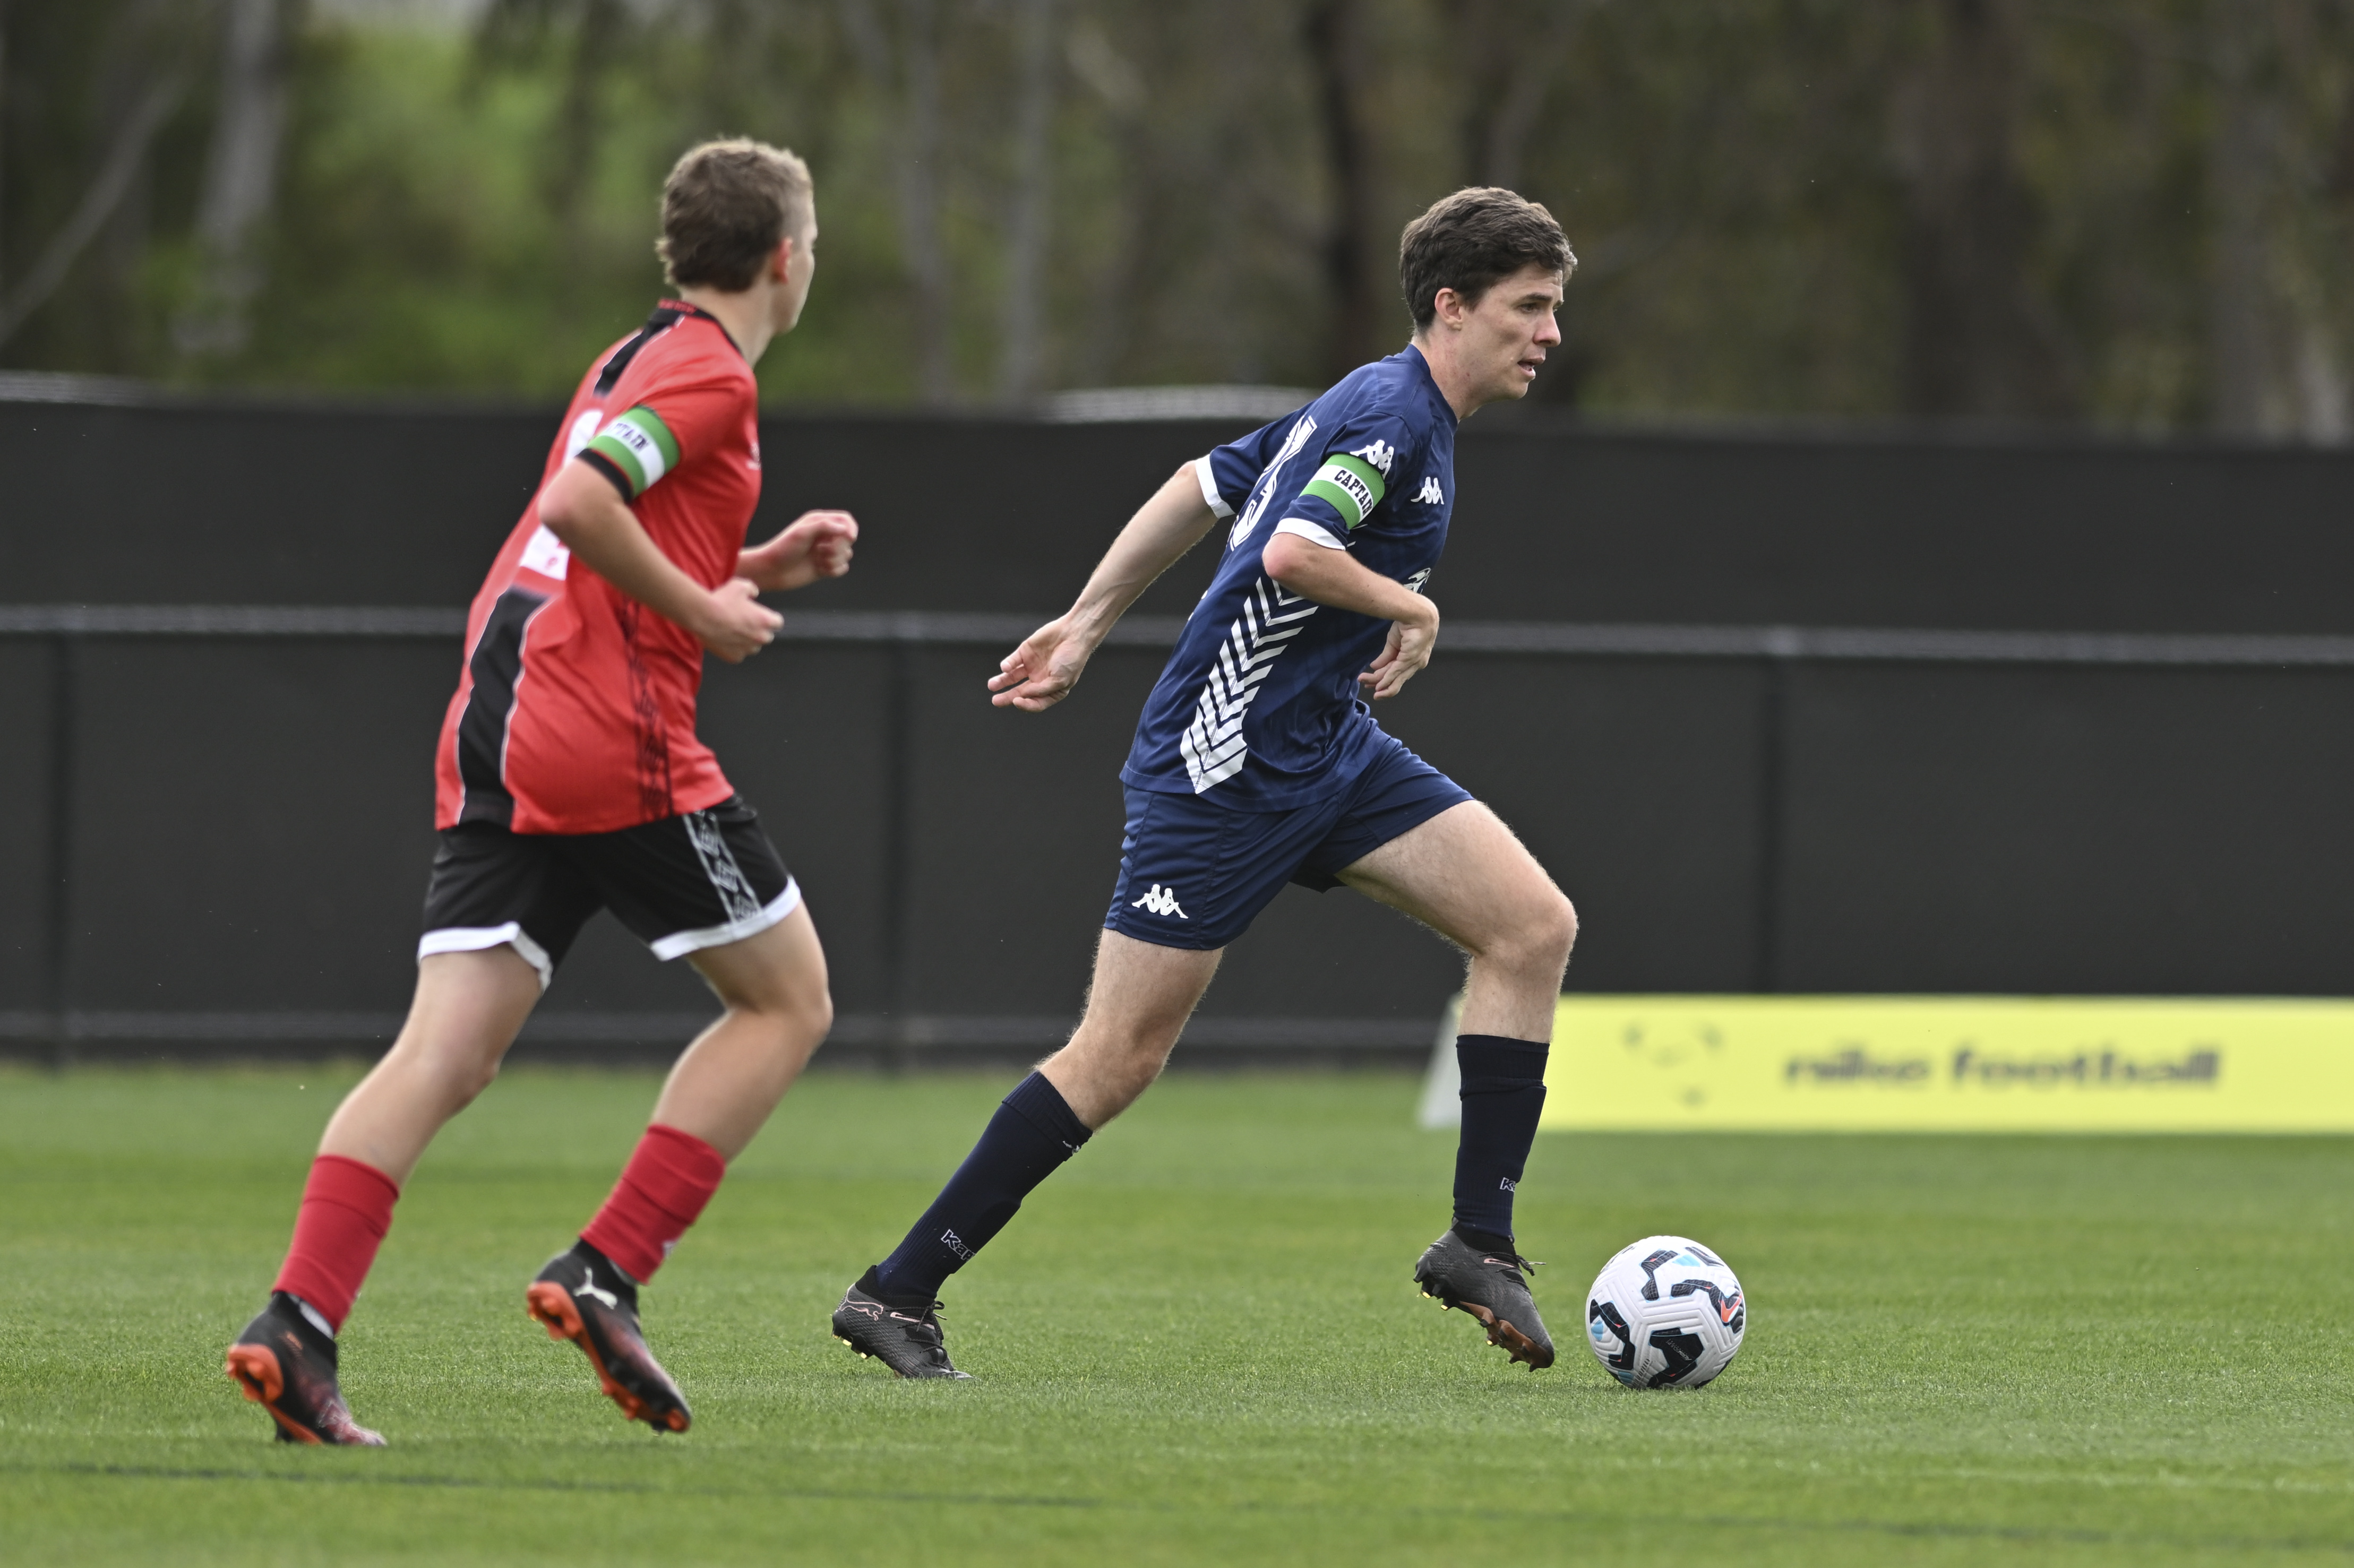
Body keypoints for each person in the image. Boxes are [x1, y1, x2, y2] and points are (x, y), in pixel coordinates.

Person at [829, 187, 1580, 1380]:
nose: (1548, 332)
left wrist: (1087, 621)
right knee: (1117, 1056)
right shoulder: (1391, 416)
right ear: (1452, 305)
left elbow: (1201, 482)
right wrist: (1414, 606)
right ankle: (896, 1291)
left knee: (1532, 926)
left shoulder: (1385, 404)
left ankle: (1477, 1242)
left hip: (1327, 748)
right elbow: (1293, 549)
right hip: (1219, 766)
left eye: (1552, 308)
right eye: (1528, 307)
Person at [225, 139, 855, 1443]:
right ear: (786, 259)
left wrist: (753, 567)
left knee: (444, 1054)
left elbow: (601, 528)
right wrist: (707, 611)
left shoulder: (635, 354)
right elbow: (577, 505)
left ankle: (297, 1322)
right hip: (606, 730)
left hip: (505, 716)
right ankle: (608, 1268)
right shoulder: (714, 375)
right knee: (789, 1000)